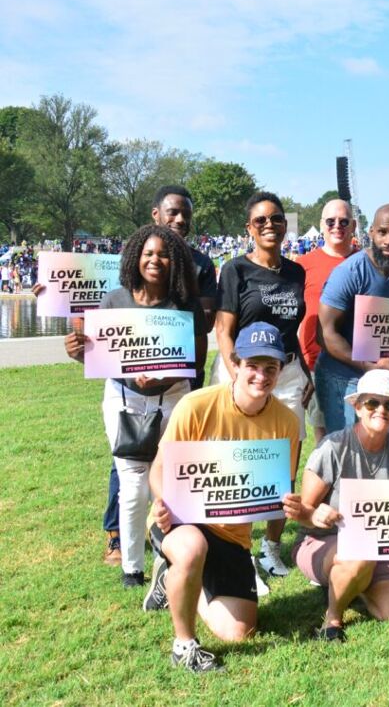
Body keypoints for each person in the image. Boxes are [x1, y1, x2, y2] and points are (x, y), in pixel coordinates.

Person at [145, 322, 300, 672]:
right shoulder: (196, 404)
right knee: (190, 549)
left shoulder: (287, 423)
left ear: (280, 370)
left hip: (232, 534)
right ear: (235, 363)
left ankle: (173, 579)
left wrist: (289, 505)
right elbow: (158, 468)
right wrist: (161, 502)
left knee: (238, 632)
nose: (261, 375)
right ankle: (184, 645)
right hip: (183, 518)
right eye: (253, 366)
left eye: (271, 368)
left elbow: (277, 492)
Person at [63, 225, 207, 586]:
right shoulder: (114, 300)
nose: (155, 260)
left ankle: (169, 555)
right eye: (148, 253)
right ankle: (132, 567)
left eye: (162, 254)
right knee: (132, 485)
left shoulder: (184, 303)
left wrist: (162, 378)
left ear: (174, 261)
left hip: (172, 399)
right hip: (123, 400)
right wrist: (77, 353)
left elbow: (197, 360)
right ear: (134, 258)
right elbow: (101, 357)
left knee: (171, 485)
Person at [284, 370, 389, 641]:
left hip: (380, 548)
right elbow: (302, 512)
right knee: (359, 552)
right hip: (323, 541)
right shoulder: (333, 447)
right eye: (372, 403)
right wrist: (315, 515)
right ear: (358, 407)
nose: (381, 410)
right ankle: (332, 619)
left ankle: (355, 584)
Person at [213, 191, 310, 578]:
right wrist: (236, 371)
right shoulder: (235, 269)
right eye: (261, 221)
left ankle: (271, 547)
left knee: (284, 464)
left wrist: (306, 372)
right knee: (237, 462)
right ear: (249, 228)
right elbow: (223, 327)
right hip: (243, 371)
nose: (270, 225)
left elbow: (296, 328)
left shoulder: (296, 272)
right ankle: (238, 547)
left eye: (277, 219)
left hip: (285, 373)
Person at [316, 204, 389, 433]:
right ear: (371, 232)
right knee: (346, 449)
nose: (388, 240)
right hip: (341, 377)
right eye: (382, 232)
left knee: (374, 446)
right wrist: (368, 366)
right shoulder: (350, 272)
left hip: (380, 376)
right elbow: (325, 333)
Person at [297, 199, 359, 443]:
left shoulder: (366, 262)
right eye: (331, 221)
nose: (337, 226)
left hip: (357, 364)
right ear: (321, 225)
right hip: (315, 363)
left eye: (344, 221)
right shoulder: (302, 265)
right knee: (325, 438)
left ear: (353, 225)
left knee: (358, 435)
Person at [151, 186, 217, 335]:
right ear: (156, 214)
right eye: (173, 213)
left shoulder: (203, 264)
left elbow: (206, 323)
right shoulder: (135, 259)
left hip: (181, 351)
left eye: (186, 214)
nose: (180, 220)